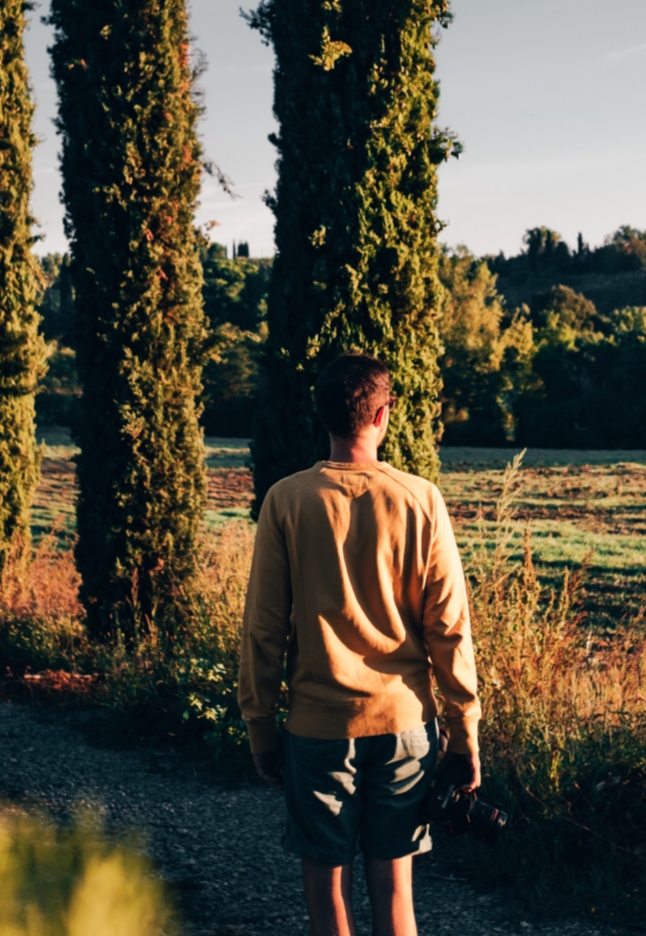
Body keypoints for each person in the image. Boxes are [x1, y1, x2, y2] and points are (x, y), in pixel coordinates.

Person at [238, 353, 482, 936]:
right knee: (396, 892)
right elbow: (449, 628)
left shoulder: (287, 500)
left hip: (317, 730)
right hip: (405, 728)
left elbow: (264, 627)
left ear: (322, 414)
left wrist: (261, 728)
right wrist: (465, 730)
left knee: (327, 899)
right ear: (382, 413)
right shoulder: (422, 499)